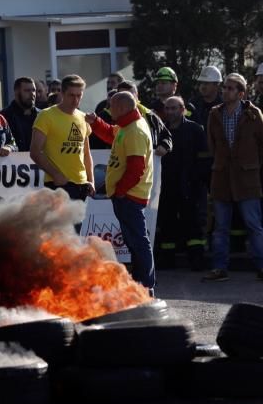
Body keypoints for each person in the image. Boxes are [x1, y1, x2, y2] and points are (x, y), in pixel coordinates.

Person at [89, 91, 156, 291]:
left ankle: (146, 285)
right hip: (128, 195)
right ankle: (141, 283)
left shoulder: (134, 130)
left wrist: (120, 191)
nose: (110, 112)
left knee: (138, 241)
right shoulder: (128, 126)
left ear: (120, 108)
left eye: (112, 108)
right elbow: (111, 134)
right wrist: (96, 122)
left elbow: (137, 168)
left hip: (130, 196)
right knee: (135, 240)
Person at [202, 74, 263, 282]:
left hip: (247, 178)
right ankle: (220, 268)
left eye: (230, 88)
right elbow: (212, 145)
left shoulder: (254, 115)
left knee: (253, 225)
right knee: (220, 228)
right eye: (225, 87)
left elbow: (261, 146)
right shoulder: (215, 114)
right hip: (221, 177)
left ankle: (261, 266)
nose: (225, 91)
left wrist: (252, 167)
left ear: (241, 93)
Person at [157, 96, 209, 270]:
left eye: (174, 108)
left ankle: (197, 258)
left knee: (193, 223)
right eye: (167, 109)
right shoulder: (160, 131)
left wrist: (200, 181)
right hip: (167, 184)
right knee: (167, 223)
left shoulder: (195, 129)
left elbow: (203, 158)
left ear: (182, 109)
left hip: (191, 185)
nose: (170, 112)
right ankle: (167, 259)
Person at [31, 74, 94, 201]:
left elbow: (86, 153)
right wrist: (56, 175)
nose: (75, 100)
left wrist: (90, 180)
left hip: (81, 184)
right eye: (71, 95)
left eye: (79, 95)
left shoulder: (83, 117)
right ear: (62, 93)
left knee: (77, 222)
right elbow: (35, 152)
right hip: (58, 184)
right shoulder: (46, 116)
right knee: (60, 222)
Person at [114, 80, 172, 157]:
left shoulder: (150, 115)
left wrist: (164, 145)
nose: (126, 99)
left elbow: (166, 135)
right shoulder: (109, 116)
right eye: (122, 96)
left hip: (148, 163)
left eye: (130, 95)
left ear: (137, 96)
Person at [0, 77, 38, 153]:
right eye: (27, 90)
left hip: (39, 163)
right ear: (17, 92)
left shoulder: (42, 116)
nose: (32, 94)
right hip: (13, 163)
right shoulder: (3, 117)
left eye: (34, 90)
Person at [89, 72, 123, 150]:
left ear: (120, 85)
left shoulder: (127, 105)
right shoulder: (101, 105)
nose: (109, 86)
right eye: (108, 83)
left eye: (113, 83)